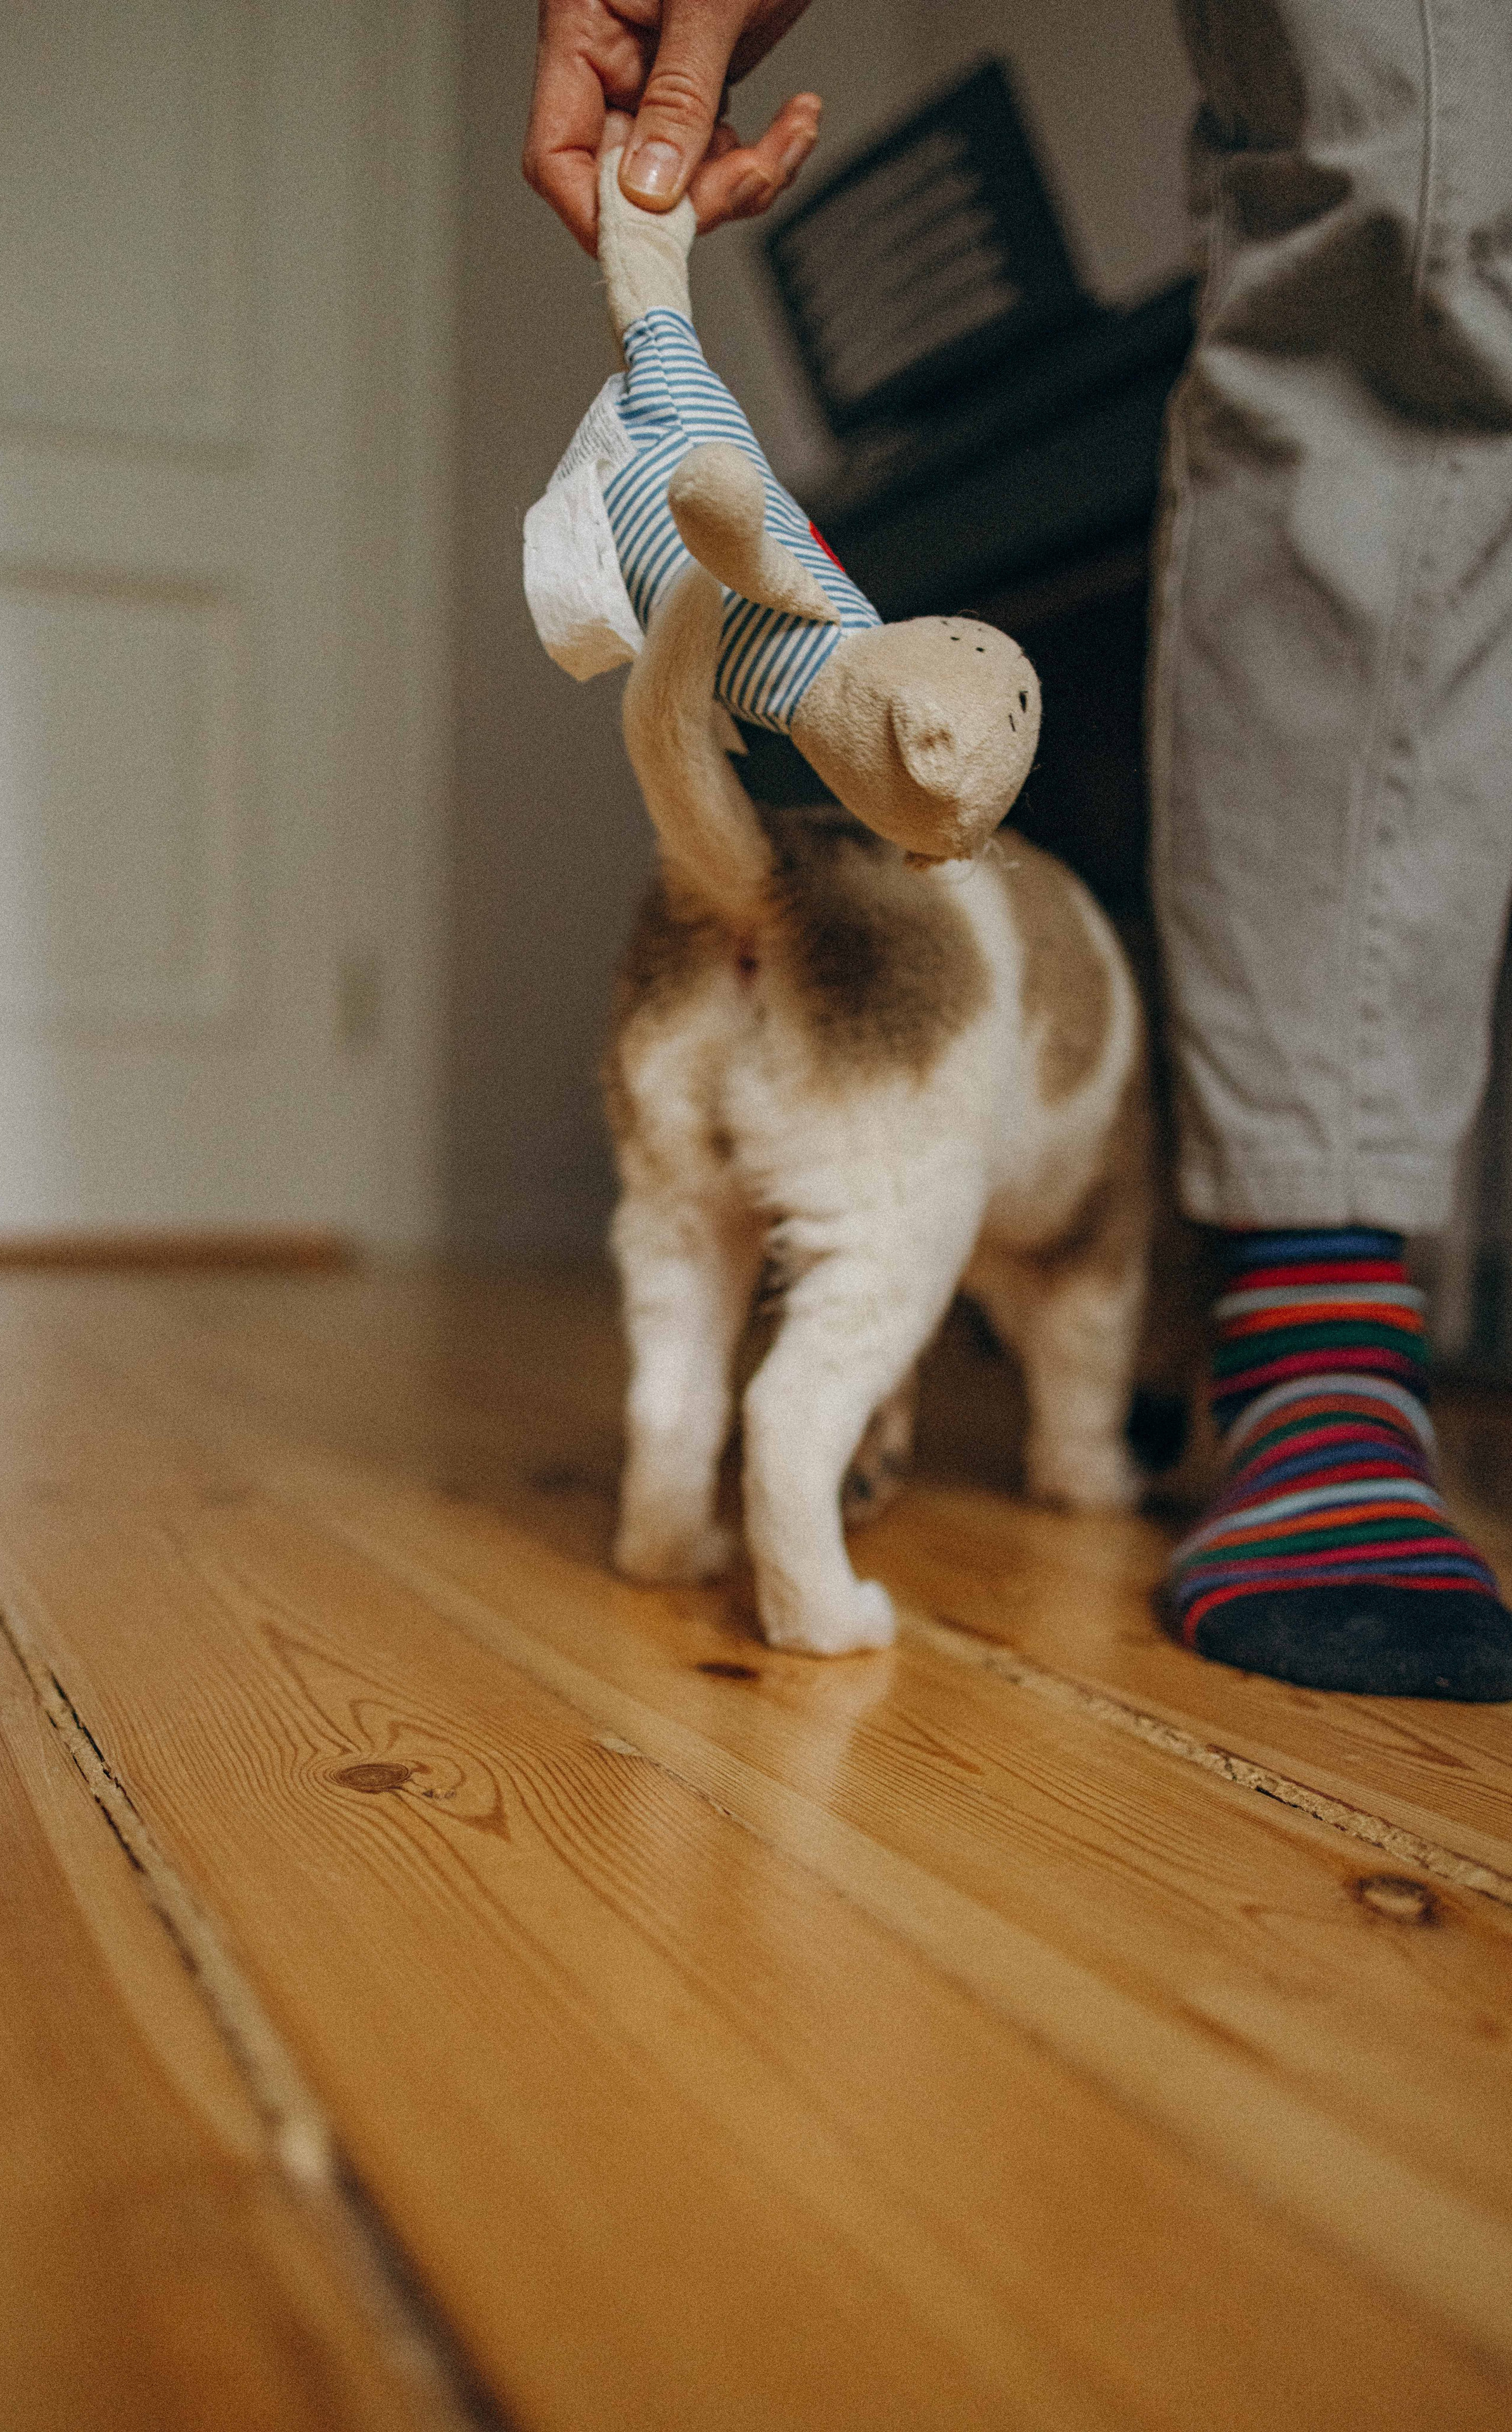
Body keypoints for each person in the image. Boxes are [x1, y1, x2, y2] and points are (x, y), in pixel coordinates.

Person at [523, 0, 1512, 1699]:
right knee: (1380, 179)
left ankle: (1305, 1320)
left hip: (754, 946)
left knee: (1398, 169)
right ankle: (1287, 1318)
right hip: (937, 1030)